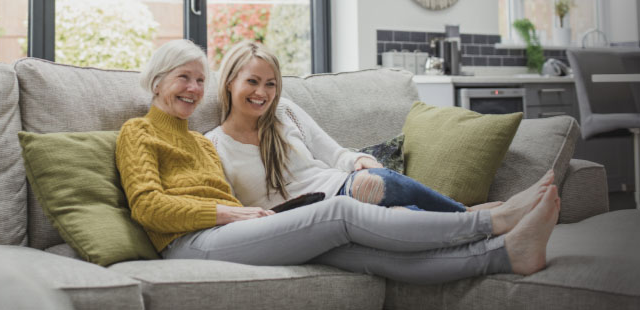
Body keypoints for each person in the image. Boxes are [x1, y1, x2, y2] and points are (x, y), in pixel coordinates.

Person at [116, 39, 560, 285]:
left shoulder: (199, 143)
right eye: (183, 79)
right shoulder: (138, 132)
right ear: (157, 82)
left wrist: (236, 214)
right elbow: (148, 207)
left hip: (233, 229)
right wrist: (229, 212)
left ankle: (504, 256)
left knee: (365, 255)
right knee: (343, 209)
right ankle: (489, 224)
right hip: (192, 240)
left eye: (199, 79)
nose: (193, 89)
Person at [205, 41, 504, 213]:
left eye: (270, 84)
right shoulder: (214, 145)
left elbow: (335, 155)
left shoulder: (284, 111)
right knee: (392, 208)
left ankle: (471, 218)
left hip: (338, 189)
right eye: (252, 82)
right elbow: (232, 208)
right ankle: (469, 216)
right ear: (230, 82)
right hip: (298, 218)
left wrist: (358, 160)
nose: (262, 93)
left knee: (383, 192)